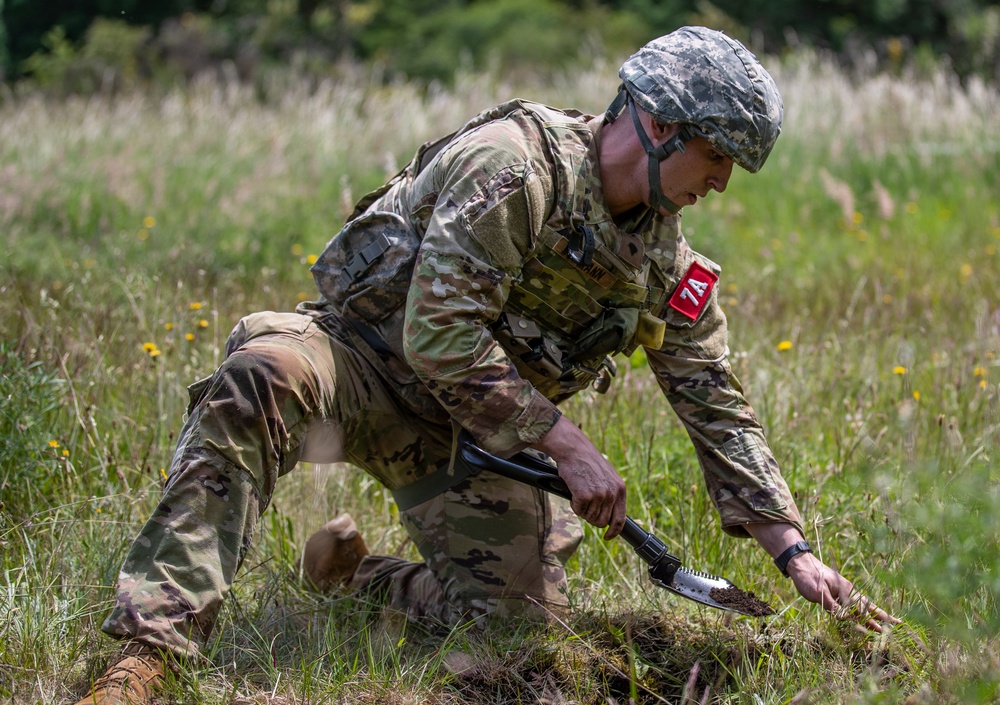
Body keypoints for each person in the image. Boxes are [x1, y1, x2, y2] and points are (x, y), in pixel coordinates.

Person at [74, 26, 896, 704]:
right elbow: (438, 337)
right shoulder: (513, 166)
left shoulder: (666, 266)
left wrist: (795, 552)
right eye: (716, 153)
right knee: (263, 375)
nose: (721, 180)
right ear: (656, 123)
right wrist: (566, 443)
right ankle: (149, 654)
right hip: (358, 365)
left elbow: (714, 400)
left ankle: (357, 579)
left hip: (473, 437)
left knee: (517, 635)